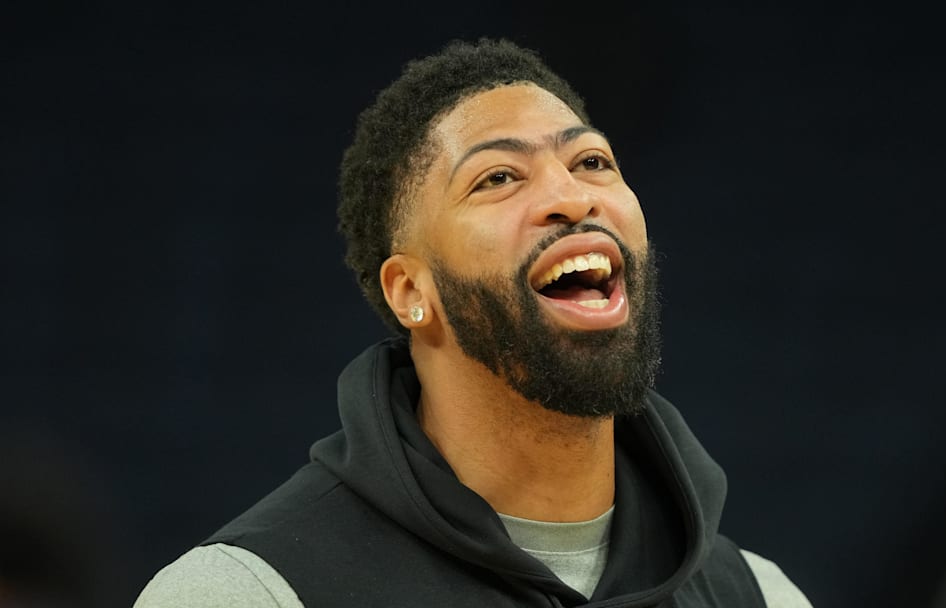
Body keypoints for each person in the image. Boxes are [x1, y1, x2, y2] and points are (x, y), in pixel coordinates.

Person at [134, 38, 813, 607]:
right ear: (409, 291)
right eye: (497, 178)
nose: (571, 196)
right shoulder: (250, 594)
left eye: (592, 162)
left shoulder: (760, 596)